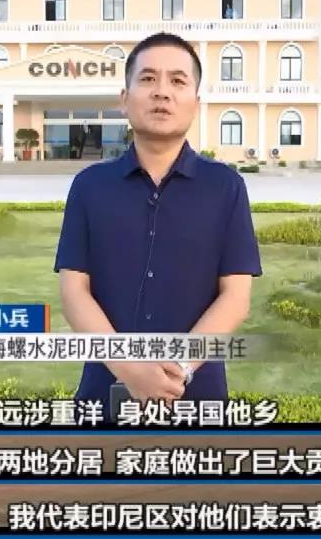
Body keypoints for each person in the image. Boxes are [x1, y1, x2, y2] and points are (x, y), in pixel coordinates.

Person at [54, 32, 262, 416]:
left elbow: (236, 297)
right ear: (124, 99)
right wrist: (129, 369)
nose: (162, 92)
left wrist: (177, 370)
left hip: (197, 399)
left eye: (177, 81)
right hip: (103, 396)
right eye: (148, 78)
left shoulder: (225, 187)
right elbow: (73, 292)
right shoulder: (89, 186)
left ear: (195, 103)